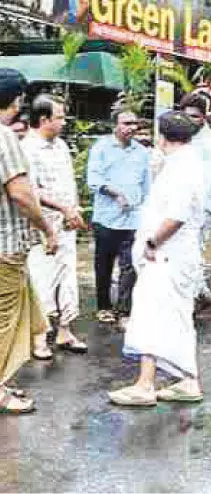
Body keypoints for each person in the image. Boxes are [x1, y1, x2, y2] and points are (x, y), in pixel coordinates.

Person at [109, 111, 207, 406]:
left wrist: (153, 242)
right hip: (176, 255)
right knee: (176, 317)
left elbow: (176, 215)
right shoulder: (184, 162)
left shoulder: (182, 168)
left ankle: (145, 384)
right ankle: (188, 380)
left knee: (151, 315)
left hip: (166, 255)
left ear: (162, 137)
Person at [0, 68, 58, 413]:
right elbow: (21, 193)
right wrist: (47, 229)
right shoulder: (4, 137)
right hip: (4, 248)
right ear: (18, 100)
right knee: (4, 321)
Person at [22, 94, 87, 358]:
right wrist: (63, 209)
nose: (64, 121)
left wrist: (74, 210)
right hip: (42, 225)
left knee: (67, 276)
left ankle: (65, 330)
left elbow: (69, 183)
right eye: (59, 117)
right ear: (44, 119)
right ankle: (39, 337)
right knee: (42, 278)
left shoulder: (60, 146)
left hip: (66, 223)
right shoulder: (27, 148)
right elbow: (30, 191)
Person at [86, 109, 151, 327]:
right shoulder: (101, 148)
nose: (132, 127)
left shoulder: (141, 152)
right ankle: (104, 307)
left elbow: (147, 186)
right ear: (115, 125)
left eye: (134, 123)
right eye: (126, 123)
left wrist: (147, 211)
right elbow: (93, 180)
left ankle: (124, 310)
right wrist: (115, 193)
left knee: (130, 266)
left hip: (133, 219)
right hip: (106, 218)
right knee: (103, 265)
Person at [179, 93, 211, 307]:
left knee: (194, 249)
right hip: (179, 206)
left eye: (195, 116)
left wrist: (193, 202)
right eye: (186, 116)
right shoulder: (180, 138)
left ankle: (197, 292)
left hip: (201, 207)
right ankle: (197, 290)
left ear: (204, 117)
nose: (190, 120)